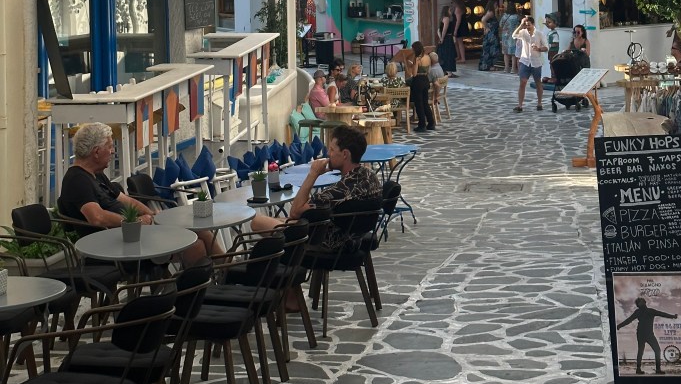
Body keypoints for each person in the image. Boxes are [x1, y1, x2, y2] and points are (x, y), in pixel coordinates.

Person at [58, 122, 220, 265]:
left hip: (135, 233)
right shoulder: (77, 180)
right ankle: (201, 286)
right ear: (96, 152)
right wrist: (135, 222)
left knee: (202, 231)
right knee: (195, 245)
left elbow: (126, 200)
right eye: (110, 147)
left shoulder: (97, 175)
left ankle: (227, 273)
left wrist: (152, 215)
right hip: (120, 243)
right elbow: (97, 217)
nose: (113, 151)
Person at [251, 124, 381, 242]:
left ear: (345, 154)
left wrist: (313, 174)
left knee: (256, 221)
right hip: (354, 239)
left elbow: (295, 212)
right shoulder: (370, 176)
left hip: (322, 242)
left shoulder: (339, 191)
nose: (328, 153)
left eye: (332, 150)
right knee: (281, 220)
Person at [616, 296, 677, 376]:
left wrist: (673, 316)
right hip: (640, 333)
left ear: (645, 302)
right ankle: (638, 369)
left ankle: (658, 369)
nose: (641, 302)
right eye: (639, 302)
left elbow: (662, 314)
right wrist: (619, 325)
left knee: (657, 350)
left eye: (642, 301)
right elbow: (629, 320)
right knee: (641, 350)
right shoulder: (637, 312)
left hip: (649, 334)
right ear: (638, 304)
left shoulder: (651, 311)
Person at [512, 15, 547, 111]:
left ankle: (539, 103)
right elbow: (514, 35)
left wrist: (538, 49)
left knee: (538, 82)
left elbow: (546, 47)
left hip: (536, 62)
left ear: (533, 24)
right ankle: (520, 105)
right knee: (522, 82)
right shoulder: (523, 32)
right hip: (525, 61)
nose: (527, 27)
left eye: (529, 25)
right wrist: (521, 25)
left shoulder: (539, 34)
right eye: (526, 25)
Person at [405, 40, 435, 132]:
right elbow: (428, 70)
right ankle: (431, 122)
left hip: (418, 81)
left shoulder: (417, 58)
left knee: (419, 104)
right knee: (425, 103)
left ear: (416, 49)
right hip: (425, 80)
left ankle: (422, 125)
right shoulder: (428, 57)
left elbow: (414, 74)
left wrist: (412, 65)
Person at [499, 1, 520, 74]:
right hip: (513, 36)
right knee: (513, 53)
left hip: (505, 36)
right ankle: (513, 69)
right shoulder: (516, 17)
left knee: (506, 53)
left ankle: (506, 68)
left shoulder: (504, 16)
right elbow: (519, 26)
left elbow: (500, 25)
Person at [436, 4, 457, 76]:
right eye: (449, 10)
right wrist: (442, 38)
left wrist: (440, 38)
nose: (450, 11)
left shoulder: (442, 18)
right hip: (448, 38)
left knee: (444, 55)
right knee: (449, 54)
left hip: (444, 38)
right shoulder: (447, 18)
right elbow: (444, 29)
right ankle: (449, 72)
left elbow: (438, 30)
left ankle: (444, 71)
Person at [478, 1, 499, 71]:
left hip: (492, 34)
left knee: (489, 50)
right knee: (490, 50)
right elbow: (483, 20)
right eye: (495, 4)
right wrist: (486, 27)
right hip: (491, 35)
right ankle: (487, 66)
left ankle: (488, 65)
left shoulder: (491, 12)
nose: (496, 5)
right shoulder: (490, 12)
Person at [453, 0, 470, 64]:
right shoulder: (461, 8)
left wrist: (455, 30)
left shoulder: (458, 9)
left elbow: (458, 20)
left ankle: (463, 58)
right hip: (462, 26)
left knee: (460, 42)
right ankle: (459, 56)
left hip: (460, 27)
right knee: (457, 42)